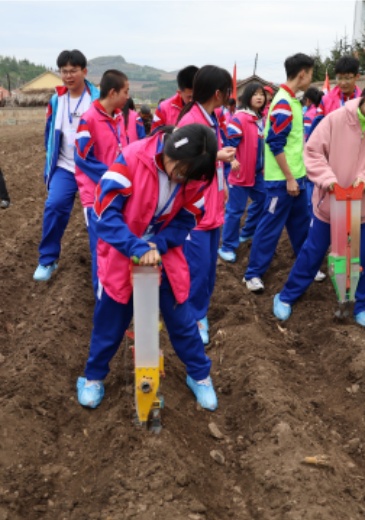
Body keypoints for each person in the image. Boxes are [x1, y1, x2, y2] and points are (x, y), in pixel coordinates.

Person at [77, 123, 221, 411]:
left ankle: (199, 375)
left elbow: (188, 217)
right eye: (180, 171)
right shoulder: (132, 160)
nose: (182, 179)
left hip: (163, 253)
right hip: (122, 250)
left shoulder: (197, 177)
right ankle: (93, 377)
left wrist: (159, 244)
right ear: (171, 152)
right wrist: (136, 246)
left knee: (182, 320)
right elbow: (104, 213)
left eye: (189, 177)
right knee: (110, 320)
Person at [269, 80, 365, 328]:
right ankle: (286, 296)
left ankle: (359, 305)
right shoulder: (335, 120)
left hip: (362, 205)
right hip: (331, 202)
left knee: (360, 258)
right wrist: (329, 181)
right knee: (313, 251)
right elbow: (313, 153)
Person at [243, 54, 319, 294]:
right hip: (282, 181)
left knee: (300, 225)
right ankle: (253, 274)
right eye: (311, 74)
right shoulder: (284, 103)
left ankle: (307, 265)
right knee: (270, 227)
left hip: (297, 178)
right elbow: (275, 143)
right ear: (302, 74)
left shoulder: (292, 100)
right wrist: (289, 178)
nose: (311, 78)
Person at [174, 66, 235, 345]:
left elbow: (213, 164)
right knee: (197, 269)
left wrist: (223, 186)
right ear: (218, 93)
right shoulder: (191, 120)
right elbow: (180, 163)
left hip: (213, 205)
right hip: (195, 208)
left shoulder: (212, 119)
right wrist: (217, 156)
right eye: (228, 90)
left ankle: (200, 312)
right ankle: (192, 318)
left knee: (209, 269)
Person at [72, 69, 138, 292]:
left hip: (118, 193)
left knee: (117, 247)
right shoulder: (88, 119)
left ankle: (117, 295)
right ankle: (101, 298)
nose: (128, 96)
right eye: (125, 91)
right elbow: (82, 158)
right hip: (97, 198)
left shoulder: (118, 118)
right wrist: (113, 177)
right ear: (112, 92)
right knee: (101, 248)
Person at [36, 49, 99, 282]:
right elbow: (49, 133)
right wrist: (50, 161)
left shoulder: (96, 100)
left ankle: (102, 262)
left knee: (97, 215)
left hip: (91, 167)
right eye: (64, 71)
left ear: (84, 71)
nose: (68, 75)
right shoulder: (57, 100)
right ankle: (47, 260)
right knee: (54, 206)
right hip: (64, 166)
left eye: (73, 71)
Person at [220, 82, 270, 263]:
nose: (259, 97)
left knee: (264, 199)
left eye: (261, 94)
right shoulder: (239, 118)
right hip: (240, 173)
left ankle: (247, 231)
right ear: (248, 97)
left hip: (257, 173)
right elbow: (229, 144)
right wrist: (232, 160)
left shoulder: (260, 119)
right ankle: (227, 246)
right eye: (255, 94)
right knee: (235, 211)